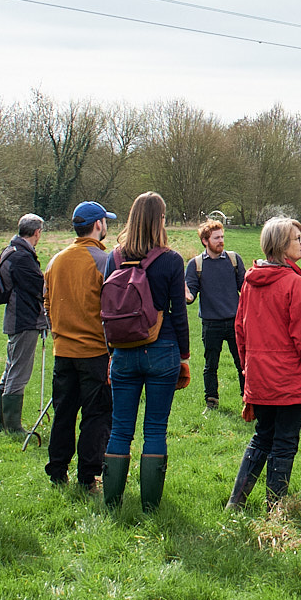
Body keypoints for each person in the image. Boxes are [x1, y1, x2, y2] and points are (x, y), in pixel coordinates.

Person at [226, 216, 301, 510]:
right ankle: (277, 509)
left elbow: (240, 331)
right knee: (284, 442)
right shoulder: (295, 285)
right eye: (298, 238)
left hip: (260, 378)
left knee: (263, 437)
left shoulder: (250, 282)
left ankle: (236, 502)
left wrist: (248, 369)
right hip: (289, 381)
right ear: (283, 246)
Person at [102, 191, 190, 511]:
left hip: (123, 352)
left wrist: (112, 351)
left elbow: (106, 310)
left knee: (120, 427)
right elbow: (178, 313)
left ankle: (112, 503)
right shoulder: (171, 260)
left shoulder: (113, 257)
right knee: (155, 427)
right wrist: (184, 357)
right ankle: (150, 505)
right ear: (160, 220)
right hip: (163, 349)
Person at [43, 201, 116, 491]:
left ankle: (57, 470)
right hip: (94, 351)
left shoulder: (55, 260)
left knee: (63, 414)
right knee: (96, 415)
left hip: (63, 351)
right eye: (105, 222)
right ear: (98, 225)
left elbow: (46, 303)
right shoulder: (103, 261)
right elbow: (111, 307)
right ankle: (89, 476)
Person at [184, 217, 247, 411]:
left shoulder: (233, 259)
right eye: (216, 238)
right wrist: (181, 290)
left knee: (243, 364)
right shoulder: (195, 265)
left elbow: (245, 289)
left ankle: (249, 400)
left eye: (222, 237)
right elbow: (190, 297)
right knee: (211, 365)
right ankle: (211, 402)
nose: (221, 241)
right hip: (211, 324)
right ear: (205, 241)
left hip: (236, 322)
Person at [0, 214, 48, 434]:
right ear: (37, 232)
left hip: (15, 317)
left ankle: (5, 424)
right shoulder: (22, 257)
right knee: (19, 371)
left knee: (11, 368)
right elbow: (39, 286)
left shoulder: (11, 251)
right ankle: (13, 428)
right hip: (24, 319)